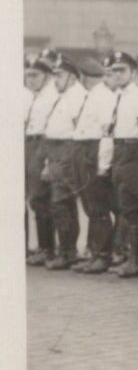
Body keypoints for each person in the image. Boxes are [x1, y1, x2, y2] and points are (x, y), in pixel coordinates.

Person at [104, 50, 138, 277]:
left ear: (133, 73)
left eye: (122, 70)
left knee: (132, 207)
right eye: (114, 70)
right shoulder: (121, 95)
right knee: (125, 206)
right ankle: (131, 256)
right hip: (120, 150)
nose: (117, 74)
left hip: (133, 151)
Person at [70, 56, 118, 273]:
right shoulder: (92, 95)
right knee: (90, 206)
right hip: (83, 149)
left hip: (94, 150)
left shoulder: (103, 97)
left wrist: (102, 163)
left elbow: (106, 131)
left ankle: (102, 255)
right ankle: (94, 252)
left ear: (83, 76)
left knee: (98, 206)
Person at [42, 55, 89, 269]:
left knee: (61, 202)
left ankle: (68, 252)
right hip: (55, 151)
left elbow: (76, 128)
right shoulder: (65, 95)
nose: (55, 80)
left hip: (68, 150)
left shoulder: (78, 96)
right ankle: (68, 251)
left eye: (59, 75)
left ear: (72, 76)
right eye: (54, 75)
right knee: (60, 203)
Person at [25, 54, 59, 266]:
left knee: (41, 197)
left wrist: (46, 159)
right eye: (27, 75)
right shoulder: (33, 96)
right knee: (35, 199)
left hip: (42, 144)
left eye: (35, 75)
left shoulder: (51, 96)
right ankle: (44, 247)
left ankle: (48, 249)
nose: (30, 79)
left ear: (47, 76)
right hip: (29, 143)